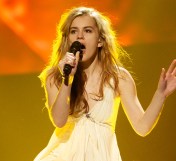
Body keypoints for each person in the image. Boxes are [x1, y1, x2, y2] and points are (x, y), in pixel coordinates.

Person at [34, 6, 176, 161]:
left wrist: (160, 94)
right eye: (74, 31)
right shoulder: (55, 77)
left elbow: (142, 127)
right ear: (68, 39)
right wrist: (68, 79)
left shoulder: (119, 77)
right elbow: (59, 121)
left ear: (100, 40)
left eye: (87, 31)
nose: (80, 37)